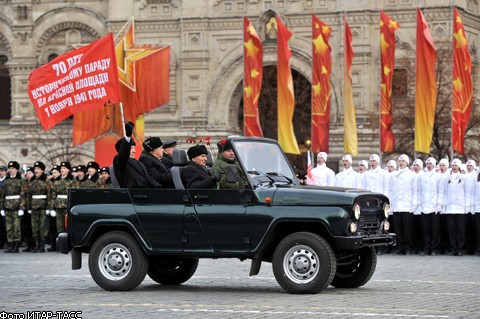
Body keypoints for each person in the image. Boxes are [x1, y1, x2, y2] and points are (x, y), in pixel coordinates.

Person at [113, 121, 161, 188]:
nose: (134, 151)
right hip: (133, 194)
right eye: (131, 149)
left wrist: (159, 188)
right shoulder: (120, 160)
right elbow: (123, 154)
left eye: (134, 148)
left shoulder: (140, 164)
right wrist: (128, 136)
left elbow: (148, 179)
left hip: (146, 193)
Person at [389, 154, 417, 255]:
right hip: (397, 206)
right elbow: (391, 191)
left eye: (403, 161)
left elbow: (415, 191)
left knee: (407, 228)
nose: (401, 163)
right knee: (398, 229)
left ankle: (408, 247)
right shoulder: (393, 175)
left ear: (407, 163)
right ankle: (399, 247)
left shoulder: (412, 175)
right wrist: (391, 205)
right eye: (399, 161)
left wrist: (413, 205)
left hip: (407, 206)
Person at [418, 157, 444, 256]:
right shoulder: (422, 176)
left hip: (434, 207)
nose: (428, 165)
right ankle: (427, 248)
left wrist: (439, 204)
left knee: (435, 230)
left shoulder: (438, 176)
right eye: (427, 163)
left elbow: (440, 191)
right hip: (424, 206)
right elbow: (420, 191)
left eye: (430, 164)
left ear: (434, 165)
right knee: (426, 230)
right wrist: (420, 204)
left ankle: (434, 248)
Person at [25, 161, 50, 253]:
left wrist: (49, 208)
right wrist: (29, 207)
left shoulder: (46, 181)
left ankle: (42, 246)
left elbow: (50, 194)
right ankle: (37, 245)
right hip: (34, 206)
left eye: (38, 169)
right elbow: (28, 195)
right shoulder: (32, 181)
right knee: (34, 227)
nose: (36, 171)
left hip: (43, 206)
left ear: (42, 171)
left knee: (43, 227)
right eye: (35, 169)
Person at [0, 161, 26, 253]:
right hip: (7, 206)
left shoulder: (20, 180)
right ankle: (10, 245)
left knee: (16, 227)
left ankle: (16, 246)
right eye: (10, 168)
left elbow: (23, 194)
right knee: (9, 227)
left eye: (13, 168)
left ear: (17, 170)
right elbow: (2, 195)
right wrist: (2, 208)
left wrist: (21, 208)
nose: (11, 170)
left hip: (16, 207)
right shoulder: (6, 180)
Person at [445, 158, 467, 256]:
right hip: (450, 208)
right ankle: (453, 249)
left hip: (460, 208)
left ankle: (460, 249)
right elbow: (444, 192)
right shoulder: (447, 177)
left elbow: (467, 192)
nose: (454, 167)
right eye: (453, 165)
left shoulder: (463, 178)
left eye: (456, 165)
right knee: (451, 230)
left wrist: (466, 206)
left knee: (460, 230)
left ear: (459, 167)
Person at [21, 166, 35, 252]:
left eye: (30, 173)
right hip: (25, 207)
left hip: (33, 207)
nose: (28, 175)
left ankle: (33, 244)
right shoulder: (25, 182)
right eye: (27, 173)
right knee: (25, 227)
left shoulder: (34, 183)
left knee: (32, 227)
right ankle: (28, 244)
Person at [0, 165, 7, 249]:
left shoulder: (7, 181)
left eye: (2, 171)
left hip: (5, 206)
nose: (0, 172)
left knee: (5, 224)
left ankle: (5, 241)